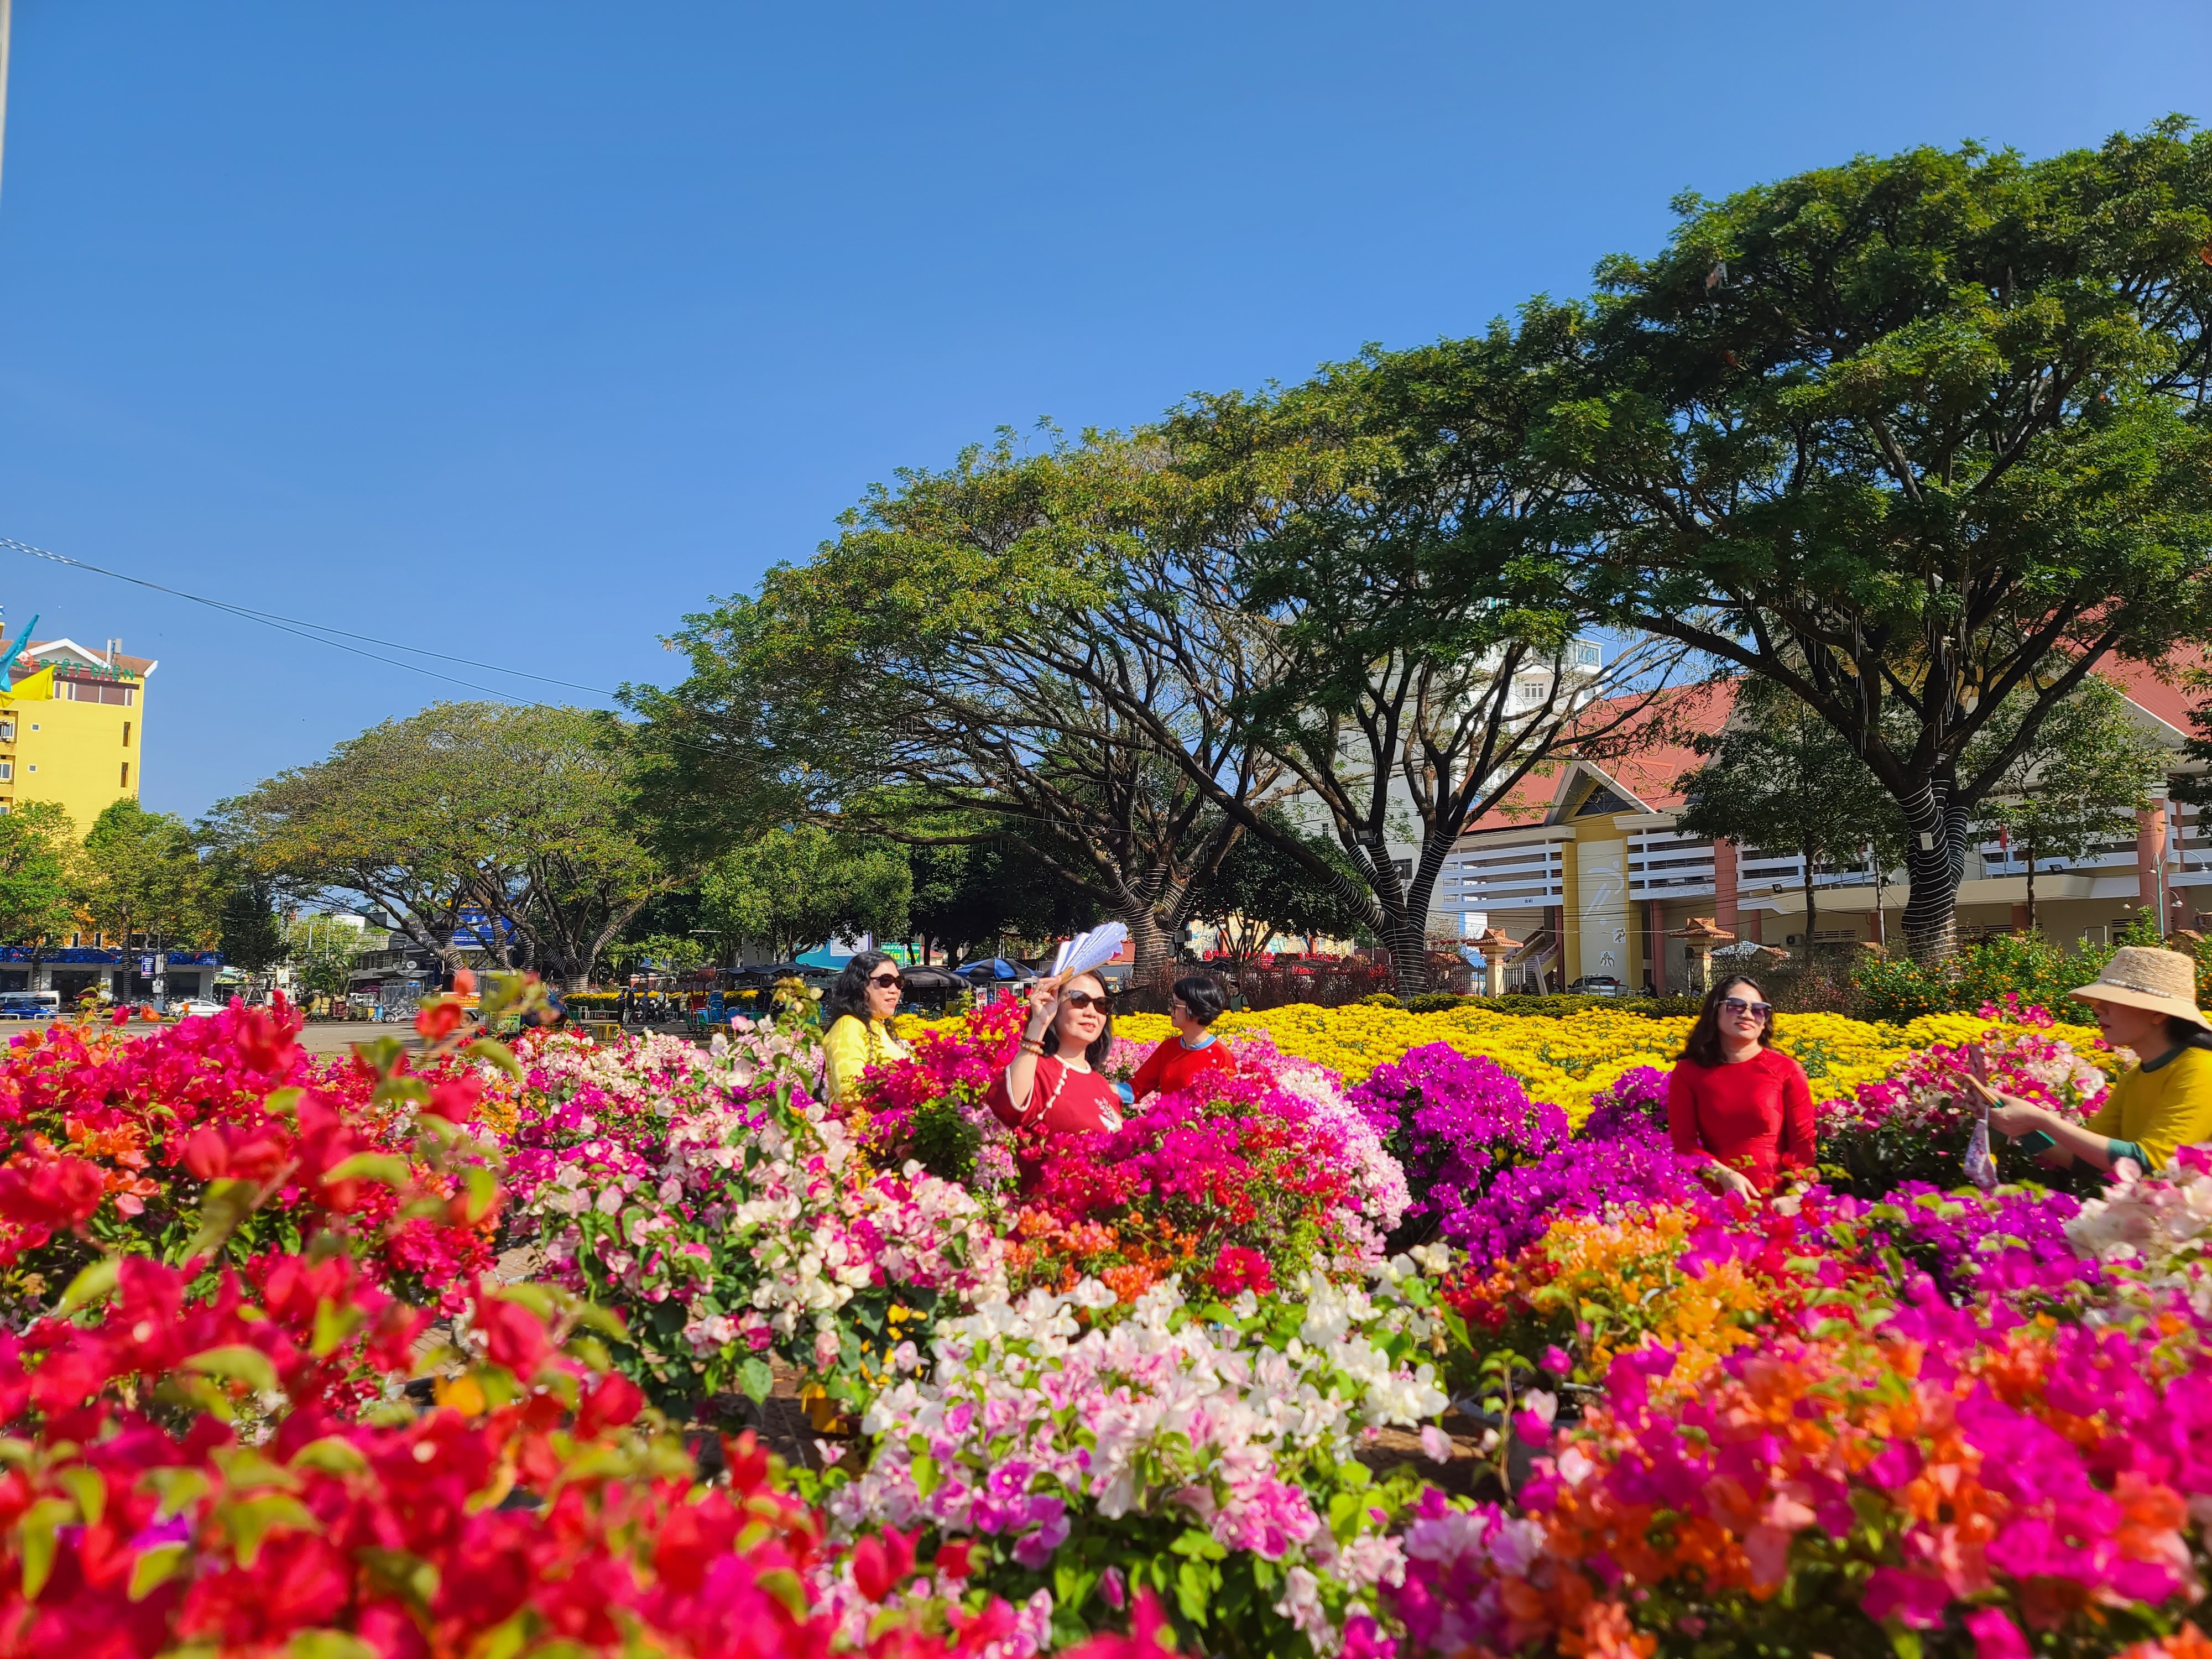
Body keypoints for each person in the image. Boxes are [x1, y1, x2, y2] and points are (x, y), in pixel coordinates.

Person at [1986, 945, 2212, 1173]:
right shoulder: (2137, 1075)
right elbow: (2082, 1158)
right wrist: (2017, 1124)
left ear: (2159, 1013)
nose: (2098, 1010)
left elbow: (2153, 1163)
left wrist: (2042, 1120)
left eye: (2112, 1001)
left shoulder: (2201, 1068)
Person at [1665, 975, 1815, 1197]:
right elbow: (1684, 1143)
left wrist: (1796, 1196)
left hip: (1778, 1199)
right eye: (1736, 1006)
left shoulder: (1786, 1070)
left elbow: (1804, 1142)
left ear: (1765, 1021)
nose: (1747, 1015)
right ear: (1715, 1011)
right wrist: (1723, 1175)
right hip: (1717, 1199)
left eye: (1759, 1009)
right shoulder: (1689, 1072)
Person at [987, 971, 1123, 1135]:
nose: (1092, 1012)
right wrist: (1038, 1023)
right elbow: (1007, 1106)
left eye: (1102, 1004)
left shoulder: (1103, 1086)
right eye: (1080, 1000)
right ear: (1053, 1002)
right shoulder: (1039, 1074)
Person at [820, 950, 913, 1104]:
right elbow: (850, 1094)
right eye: (886, 981)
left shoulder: (877, 1026)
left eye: (899, 982)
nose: (894, 990)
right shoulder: (848, 1026)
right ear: (860, 986)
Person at [1129, 974, 1236, 1103]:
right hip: (1166, 1122)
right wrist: (1103, 1090)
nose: (1171, 1010)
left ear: (1196, 1010)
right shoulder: (1168, 1048)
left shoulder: (1221, 1056)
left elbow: (1227, 1106)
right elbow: (1137, 1086)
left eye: (1176, 1005)